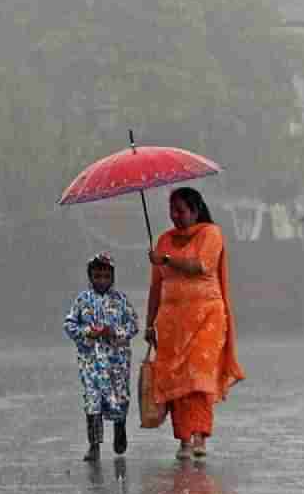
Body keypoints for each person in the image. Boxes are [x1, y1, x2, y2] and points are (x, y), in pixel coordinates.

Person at [145, 187, 246, 460]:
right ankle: (184, 439)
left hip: (207, 319)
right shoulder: (163, 240)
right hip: (171, 323)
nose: (175, 216)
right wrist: (148, 323)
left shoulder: (211, 234)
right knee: (177, 380)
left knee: (198, 377)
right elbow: (156, 287)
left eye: (181, 210)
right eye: (172, 210)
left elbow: (201, 265)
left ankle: (200, 435)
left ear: (195, 210)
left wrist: (165, 259)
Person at [64, 252, 138, 462]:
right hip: (92, 362)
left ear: (112, 277)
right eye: (97, 276)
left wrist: (116, 333)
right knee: (92, 401)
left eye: (106, 276)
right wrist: (88, 332)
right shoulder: (82, 300)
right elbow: (69, 324)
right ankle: (94, 444)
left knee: (120, 398)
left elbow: (133, 325)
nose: (101, 281)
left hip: (117, 362)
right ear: (90, 276)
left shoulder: (121, 300)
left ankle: (120, 429)